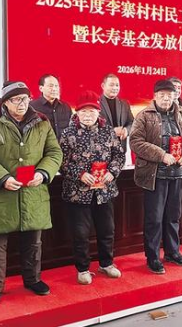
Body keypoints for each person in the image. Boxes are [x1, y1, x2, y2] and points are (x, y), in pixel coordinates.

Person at [0, 81, 62, 309]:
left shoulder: (41, 121)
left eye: (25, 98)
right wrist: (2, 177)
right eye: (16, 100)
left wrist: (43, 172)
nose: (22, 103)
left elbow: (54, 152)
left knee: (33, 242)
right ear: (5, 103)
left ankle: (33, 279)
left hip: (32, 190)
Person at [130, 79, 182, 274]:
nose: (166, 99)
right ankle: (152, 257)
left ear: (174, 96)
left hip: (177, 174)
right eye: (162, 95)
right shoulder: (144, 115)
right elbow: (135, 142)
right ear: (155, 96)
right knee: (154, 219)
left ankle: (172, 252)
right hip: (155, 176)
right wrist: (161, 155)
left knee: (173, 216)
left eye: (169, 96)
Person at [60, 91, 126, 285]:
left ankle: (107, 264)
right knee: (80, 233)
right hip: (77, 193)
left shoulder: (108, 131)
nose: (88, 115)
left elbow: (119, 155)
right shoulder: (68, 133)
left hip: (104, 191)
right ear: (77, 112)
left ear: (98, 112)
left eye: (92, 111)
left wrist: (112, 172)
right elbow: (61, 161)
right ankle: (82, 269)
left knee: (107, 230)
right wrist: (80, 174)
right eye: (83, 111)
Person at [30, 74, 72, 140]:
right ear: (41, 88)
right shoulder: (32, 107)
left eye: (56, 86)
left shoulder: (66, 106)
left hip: (63, 145)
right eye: (50, 86)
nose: (54, 89)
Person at [99, 73, 134, 151]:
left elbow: (132, 123)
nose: (115, 88)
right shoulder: (95, 104)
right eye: (111, 85)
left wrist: (126, 130)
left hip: (121, 150)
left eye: (117, 85)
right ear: (103, 86)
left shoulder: (124, 104)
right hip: (102, 150)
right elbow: (92, 128)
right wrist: (112, 131)